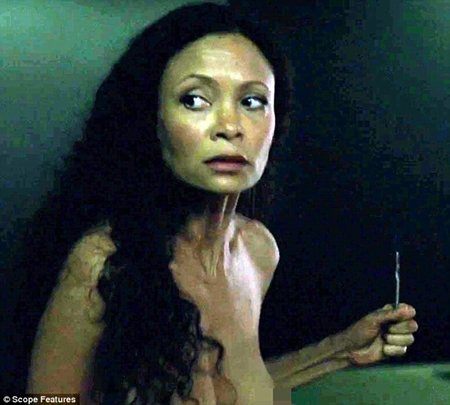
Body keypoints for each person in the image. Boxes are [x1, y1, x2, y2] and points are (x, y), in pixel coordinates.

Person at [9, 2, 418, 404]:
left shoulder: (258, 251)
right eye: (194, 100)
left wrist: (342, 350)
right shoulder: (105, 263)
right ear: (152, 119)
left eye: (252, 101)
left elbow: (224, 390)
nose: (229, 127)